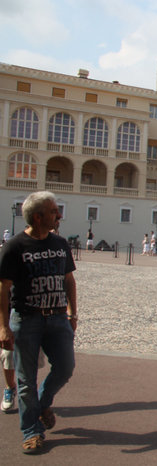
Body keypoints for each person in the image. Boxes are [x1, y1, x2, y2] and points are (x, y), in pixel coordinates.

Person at [0, 191, 78, 454]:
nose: (59, 215)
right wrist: (3, 326)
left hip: (57, 318)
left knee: (65, 368)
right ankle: (31, 431)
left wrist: (72, 313)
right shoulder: (15, 246)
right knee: (25, 380)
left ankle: (43, 403)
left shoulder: (60, 244)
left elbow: (69, 280)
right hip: (26, 318)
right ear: (37, 216)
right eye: (54, 211)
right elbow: (3, 288)